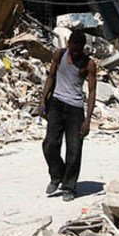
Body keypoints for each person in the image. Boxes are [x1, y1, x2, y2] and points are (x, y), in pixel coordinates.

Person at [38, 30, 97, 202]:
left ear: (83, 47)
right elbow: (51, 77)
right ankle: (57, 177)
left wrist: (87, 120)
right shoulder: (59, 55)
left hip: (75, 109)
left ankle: (69, 186)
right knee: (49, 144)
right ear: (69, 43)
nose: (76, 51)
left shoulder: (89, 64)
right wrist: (43, 100)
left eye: (79, 48)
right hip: (56, 104)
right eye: (74, 46)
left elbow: (92, 91)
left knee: (74, 149)